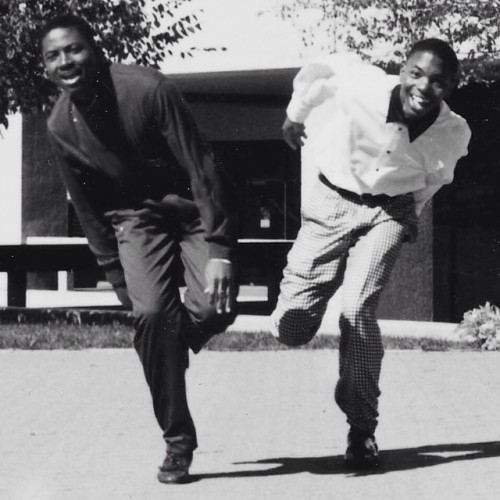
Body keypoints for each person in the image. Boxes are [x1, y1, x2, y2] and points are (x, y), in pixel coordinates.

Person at [40, 14, 238, 484]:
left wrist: (221, 249)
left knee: (214, 309)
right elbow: (88, 208)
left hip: (194, 208)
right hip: (135, 220)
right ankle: (178, 444)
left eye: (74, 49)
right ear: (45, 68)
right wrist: (114, 276)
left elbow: (202, 167)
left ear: (96, 49)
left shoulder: (149, 89)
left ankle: (167, 345)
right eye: (54, 56)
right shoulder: (58, 126)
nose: (66, 61)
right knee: (149, 316)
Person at [271, 39, 471, 468]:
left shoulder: (454, 132)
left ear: (451, 85)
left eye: (437, 81)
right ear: (403, 71)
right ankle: (296, 313)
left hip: (391, 210)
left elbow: (434, 181)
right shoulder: (361, 85)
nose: (423, 87)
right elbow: (318, 72)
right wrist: (294, 118)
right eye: (416, 74)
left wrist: (408, 218)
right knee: (291, 327)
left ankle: (362, 429)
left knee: (358, 308)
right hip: (332, 198)